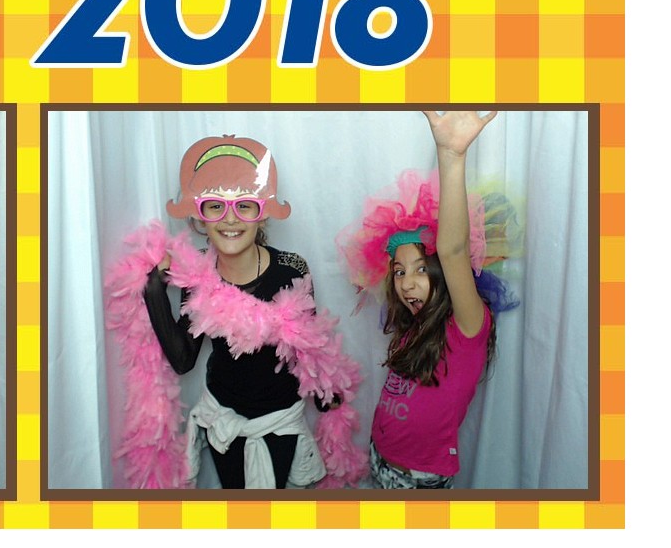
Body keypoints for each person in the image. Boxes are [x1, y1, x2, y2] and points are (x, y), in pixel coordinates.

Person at [108, 135, 364, 488]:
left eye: (245, 206)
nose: (230, 219)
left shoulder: (291, 270)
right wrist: (153, 289)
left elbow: (308, 350)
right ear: (200, 217)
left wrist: (327, 397)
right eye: (215, 206)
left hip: (279, 421)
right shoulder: (197, 273)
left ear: (262, 215)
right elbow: (183, 359)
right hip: (222, 418)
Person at [337, 111, 521, 488]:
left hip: (418, 479)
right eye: (399, 272)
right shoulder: (415, 326)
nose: (407, 284)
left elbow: (453, 251)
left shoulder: (467, 328)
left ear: (442, 272)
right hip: (379, 459)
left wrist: (451, 157)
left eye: (421, 269)